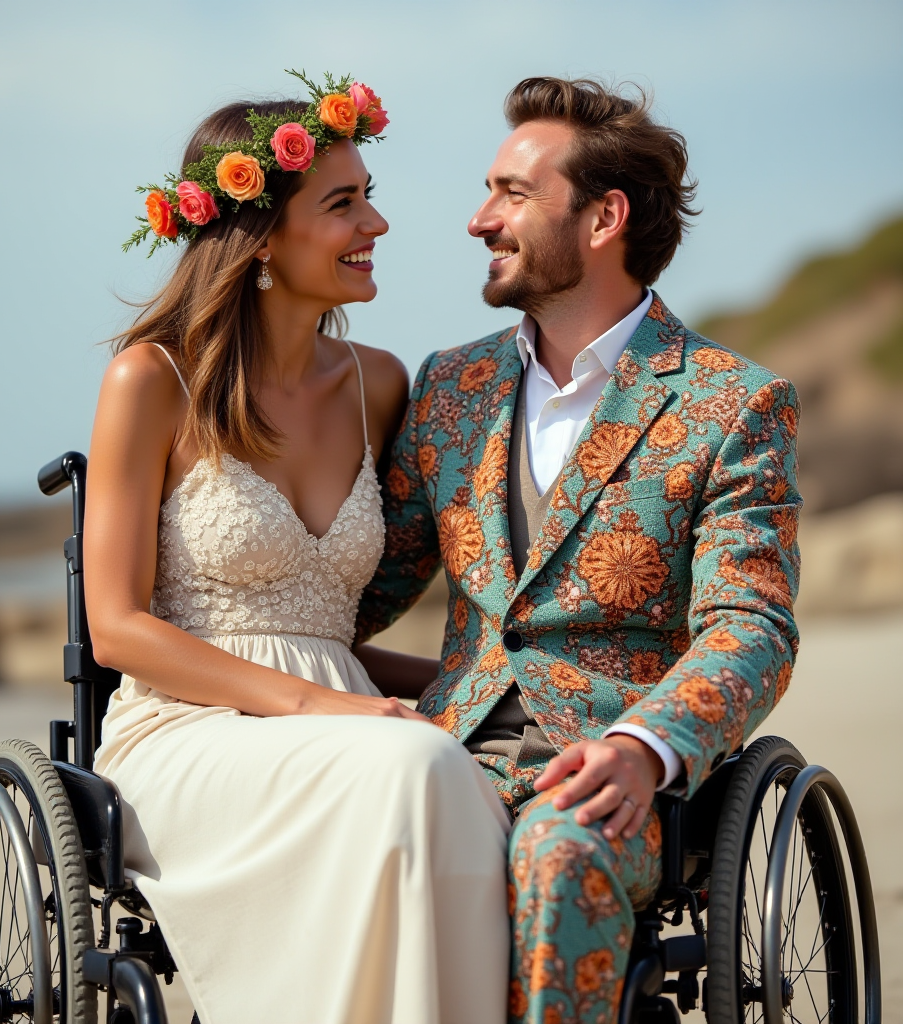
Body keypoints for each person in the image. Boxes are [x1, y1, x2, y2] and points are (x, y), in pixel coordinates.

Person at [356, 77, 802, 1024]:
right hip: (446, 759)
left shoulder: (731, 404)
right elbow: (363, 588)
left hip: (611, 780)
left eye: (513, 193)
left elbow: (750, 626)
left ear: (605, 217)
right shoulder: (451, 388)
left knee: (556, 855)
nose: (480, 219)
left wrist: (645, 748)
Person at [84, 73, 511, 1024]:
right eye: (345, 203)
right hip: (186, 733)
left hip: (348, 722)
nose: (378, 224)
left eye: (371, 196)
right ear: (262, 238)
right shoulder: (151, 381)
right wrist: (331, 710)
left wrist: (472, 680)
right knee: (421, 769)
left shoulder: (383, 384)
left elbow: (328, 632)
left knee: (438, 767)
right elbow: (115, 630)